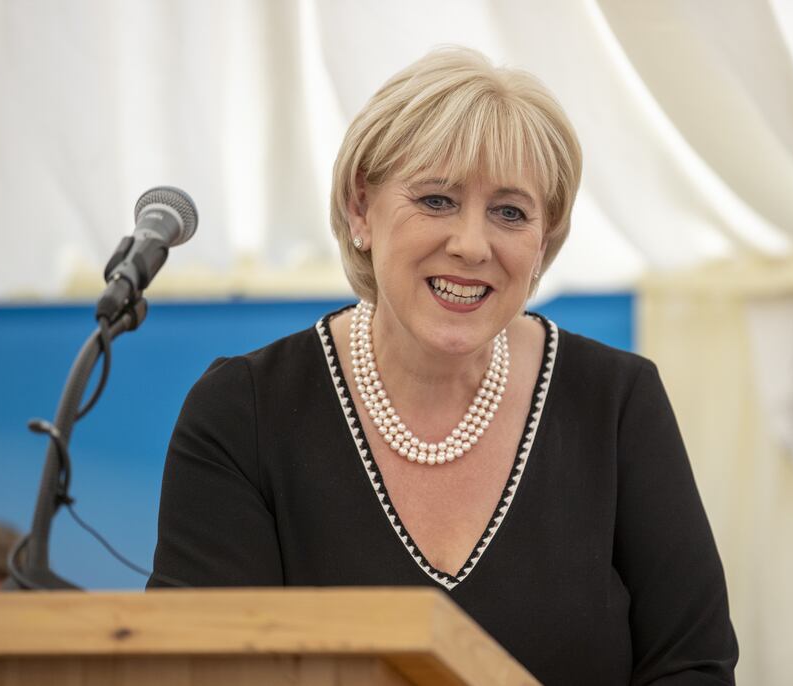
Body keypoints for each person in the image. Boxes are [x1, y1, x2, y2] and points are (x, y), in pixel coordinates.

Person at [149, 47, 738, 684]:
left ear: (544, 241)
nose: (471, 244)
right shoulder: (243, 413)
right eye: (436, 200)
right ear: (359, 208)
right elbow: (200, 667)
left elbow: (693, 667)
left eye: (510, 213)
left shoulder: (617, 401)